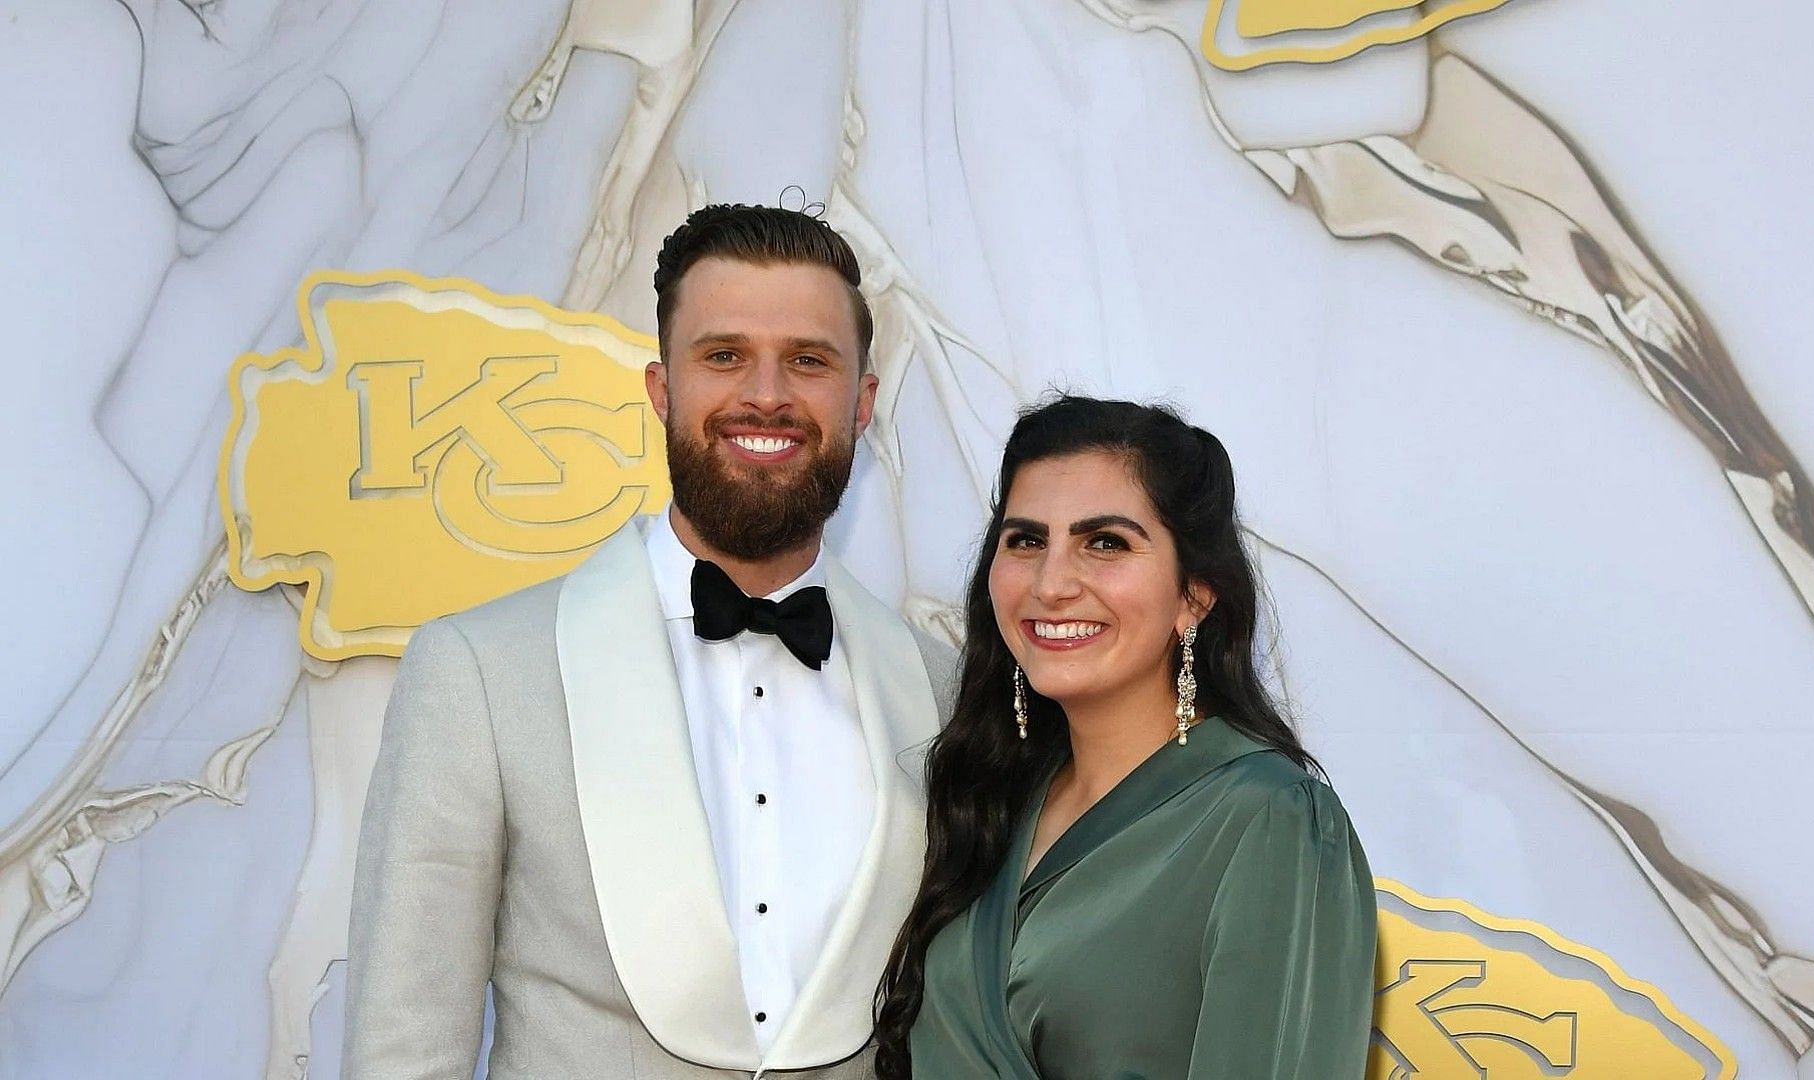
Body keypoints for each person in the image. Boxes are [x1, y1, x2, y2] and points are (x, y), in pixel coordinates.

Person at [343, 204, 956, 1079]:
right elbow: (402, 1046)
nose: (767, 395)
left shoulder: (939, 689)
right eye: (723, 356)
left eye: (808, 362)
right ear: (661, 390)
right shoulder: (480, 674)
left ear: (861, 404)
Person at [875, 396, 1377, 1079]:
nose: (1051, 584)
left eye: (1104, 542)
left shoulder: (1272, 822)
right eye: (1025, 540)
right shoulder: (992, 794)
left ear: (1193, 595)